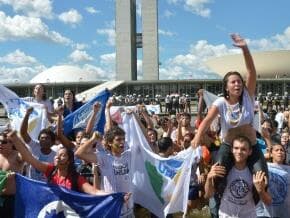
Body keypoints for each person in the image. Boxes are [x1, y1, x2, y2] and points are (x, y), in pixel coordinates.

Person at [191, 33, 268, 195]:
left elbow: (251, 71)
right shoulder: (220, 103)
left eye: (239, 81)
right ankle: (219, 205)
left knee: (263, 179)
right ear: (226, 87)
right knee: (217, 178)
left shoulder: (248, 96)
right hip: (228, 147)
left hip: (251, 146)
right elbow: (206, 121)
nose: (237, 84)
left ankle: (253, 207)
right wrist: (197, 136)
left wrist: (245, 49)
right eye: (233, 82)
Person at [7, 130, 108, 196]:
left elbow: (94, 191)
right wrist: (16, 140)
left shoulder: (76, 178)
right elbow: (30, 159)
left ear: (69, 161)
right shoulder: (50, 170)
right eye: (57, 155)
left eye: (63, 155)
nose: (57, 157)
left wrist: (116, 196)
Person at [204, 136, 271, 218]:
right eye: (236, 148)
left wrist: (261, 191)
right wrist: (209, 178)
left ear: (250, 152)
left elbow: (268, 202)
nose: (239, 152)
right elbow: (208, 195)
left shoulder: (255, 174)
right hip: (225, 215)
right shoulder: (223, 170)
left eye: (243, 149)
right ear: (231, 150)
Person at [75, 126, 133, 217]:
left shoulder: (128, 155)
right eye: (118, 139)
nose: (122, 142)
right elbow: (78, 153)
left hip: (129, 210)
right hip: (112, 209)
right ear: (110, 143)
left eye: (123, 139)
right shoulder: (104, 157)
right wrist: (93, 139)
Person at [0, 130, 25, 218]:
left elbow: (27, 155)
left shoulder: (17, 156)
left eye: (3, 142)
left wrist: (17, 139)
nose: (0, 144)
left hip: (11, 200)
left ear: (12, 143)